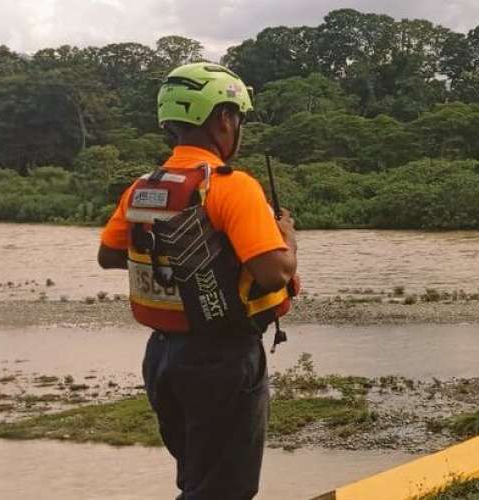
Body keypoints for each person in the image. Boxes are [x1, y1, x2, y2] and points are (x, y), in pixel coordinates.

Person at [97, 62, 298, 500]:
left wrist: (176, 257)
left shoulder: (143, 187)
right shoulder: (233, 187)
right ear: (224, 118)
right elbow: (275, 272)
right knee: (223, 490)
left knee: (198, 479)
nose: (237, 127)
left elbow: (110, 255)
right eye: (237, 118)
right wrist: (287, 236)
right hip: (222, 358)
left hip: (163, 360)